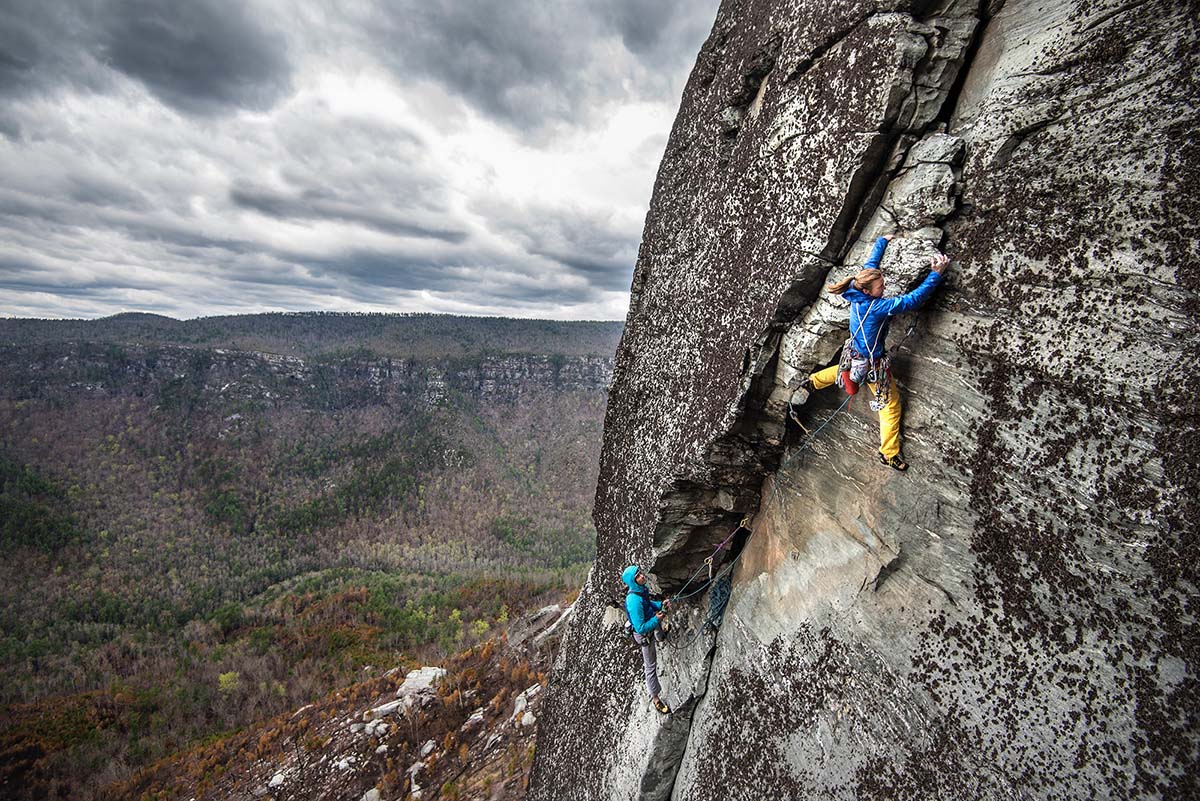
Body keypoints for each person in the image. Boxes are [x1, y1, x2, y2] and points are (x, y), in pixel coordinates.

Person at [797, 234, 949, 471]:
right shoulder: (877, 307)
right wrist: (935, 274)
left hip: (854, 353)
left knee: (845, 371)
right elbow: (912, 300)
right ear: (869, 291)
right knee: (891, 405)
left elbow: (870, 266)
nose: (884, 287)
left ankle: (812, 382)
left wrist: (882, 241)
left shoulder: (856, 291)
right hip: (871, 364)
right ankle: (888, 453)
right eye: (881, 287)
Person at [621, 564, 671, 714]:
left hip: (650, 619)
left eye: (640, 573)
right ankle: (655, 698)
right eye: (637, 576)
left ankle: (661, 636)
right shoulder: (634, 602)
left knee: (658, 626)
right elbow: (641, 628)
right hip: (644, 635)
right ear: (633, 581)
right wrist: (657, 618)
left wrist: (660, 605)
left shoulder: (640, 589)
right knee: (650, 666)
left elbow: (648, 604)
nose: (642, 576)